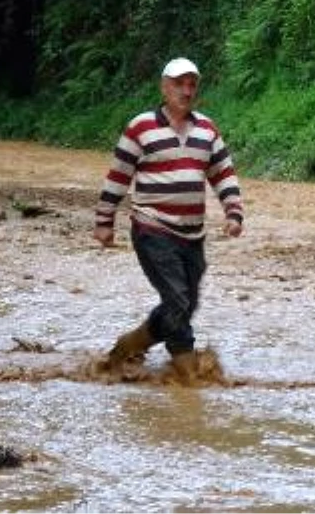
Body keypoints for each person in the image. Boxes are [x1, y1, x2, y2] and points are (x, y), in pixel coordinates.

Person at [94, 57, 245, 385]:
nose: (186, 90)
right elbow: (118, 176)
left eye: (192, 84)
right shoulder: (141, 127)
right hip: (152, 228)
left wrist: (234, 212)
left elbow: (223, 173)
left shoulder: (207, 129)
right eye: (179, 84)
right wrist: (104, 221)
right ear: (164, 87)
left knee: (185, 304)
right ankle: (188, 375)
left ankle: (126, 347)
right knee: (177, 299)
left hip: (193, 234)